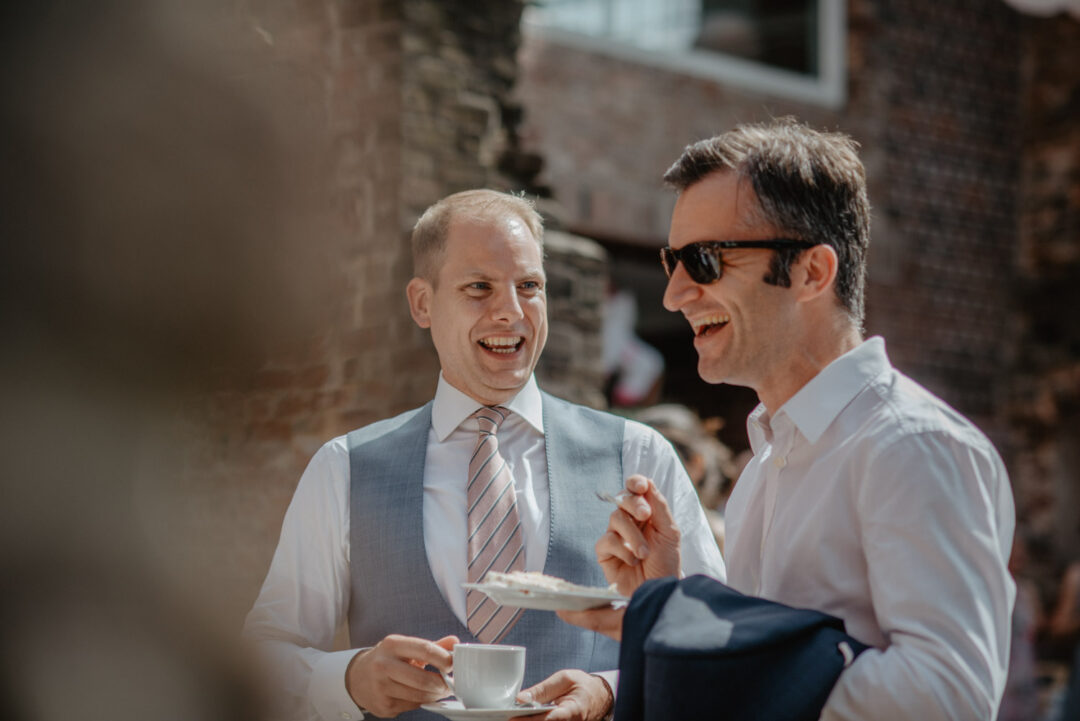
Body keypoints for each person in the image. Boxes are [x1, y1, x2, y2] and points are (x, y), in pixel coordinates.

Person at [560, 118, 1016, 720]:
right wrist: (662, 601)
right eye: (673, 260)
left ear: (812, 273)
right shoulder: (762, 469)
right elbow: (754, 663)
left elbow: (950, 698)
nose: (673, 295)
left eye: (704, 261)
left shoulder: (912, 446)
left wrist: (681, 621)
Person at [243, 189, 727, 721]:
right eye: (480, 287)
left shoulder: (637, 455)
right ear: (422, 303)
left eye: (529, 286)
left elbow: (717, 644)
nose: (511, 312)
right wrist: (349, 678)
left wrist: (611, 690)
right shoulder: (344, 468)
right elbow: (261, 659)